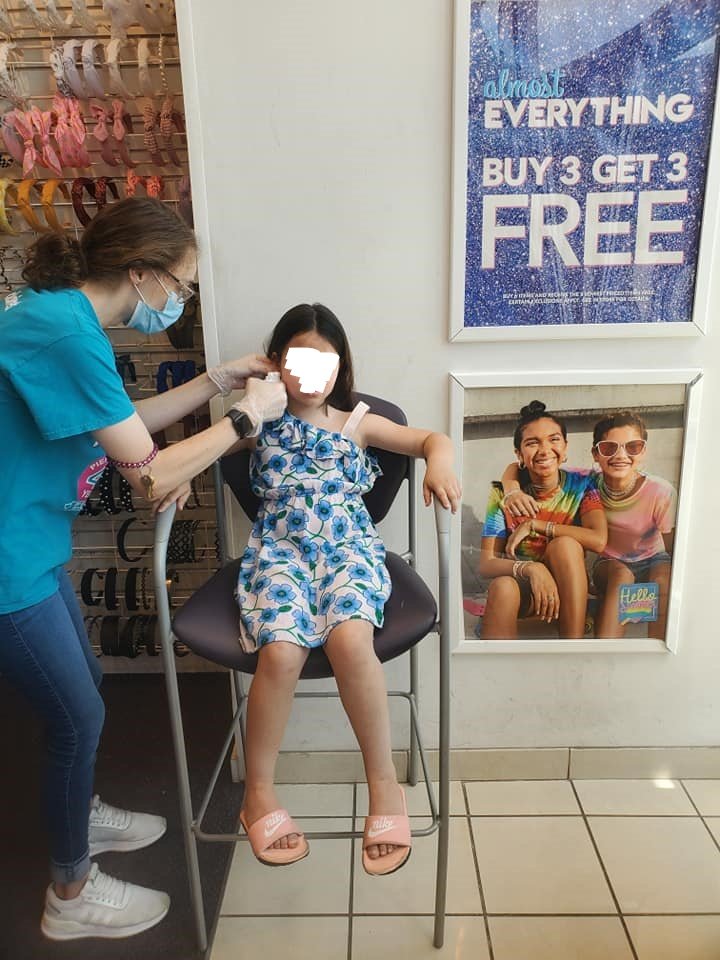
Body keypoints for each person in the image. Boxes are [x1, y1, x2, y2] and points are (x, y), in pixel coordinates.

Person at [0, 197, 287, 941]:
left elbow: (125, 428)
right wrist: (247, 418)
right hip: (7, 561)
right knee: (77, 716)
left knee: (85, 690)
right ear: (140, 272)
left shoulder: (65, 320)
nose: (179, 301)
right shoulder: (66, 332)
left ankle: (81, 814)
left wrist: (218, 381)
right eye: (180, 286)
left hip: (31, 542)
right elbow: (150, 474)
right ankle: (70, 893)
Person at [231, 303, 461, 875]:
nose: (313, 376)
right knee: (281, 651)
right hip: (280, 554)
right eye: (299, 360)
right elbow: (199, 452)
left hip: (346, 551)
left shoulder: (357, 422)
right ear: (276, 362)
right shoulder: (253, 420)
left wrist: (439, 462)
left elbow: (431, 439)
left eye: (326, 363)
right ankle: (258, 792)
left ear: (341, 367)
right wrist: (181, 480)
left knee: (350, 640)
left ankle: (384, 786)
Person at [478, 401, 606, 640]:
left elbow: (598, 540)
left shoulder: (582, 485)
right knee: (502, 586)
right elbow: (486, 563)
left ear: (565, 448)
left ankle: (572, 648)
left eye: (554, 439)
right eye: (532, 443)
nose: (545, 450)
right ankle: (498, 662)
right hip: (525, 592)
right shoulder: (502, 494)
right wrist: (531, 568)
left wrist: (535, 525)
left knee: (565, 545)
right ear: (519, 455)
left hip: (569, 587)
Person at [590, 411, 676, 640]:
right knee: (622, 577)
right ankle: (605, 653)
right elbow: (526, 469)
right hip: (610, 563)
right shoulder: (588, 483)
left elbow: (672, 549)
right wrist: (512, 490)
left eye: (633, 447)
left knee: (662, 581)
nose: (621, 455)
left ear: (643, 451)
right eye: (609, 448)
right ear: (596, 454)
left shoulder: (659, 491)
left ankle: (657, 653)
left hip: (654, 559)